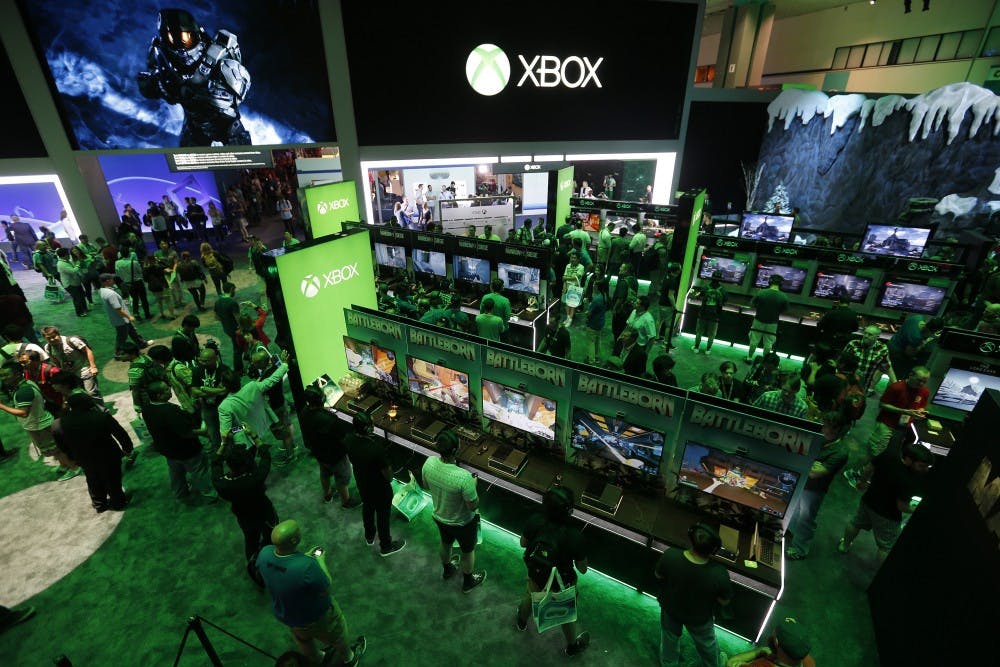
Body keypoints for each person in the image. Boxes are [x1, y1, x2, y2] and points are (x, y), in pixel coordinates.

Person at [257, 520, 367, 666]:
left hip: (288, 616)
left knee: (303, 640)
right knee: (337, 634)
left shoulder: (264, 554)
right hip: (317, 617)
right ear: (294, 540)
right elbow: (326, 587)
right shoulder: (308, 566)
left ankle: (318, 658)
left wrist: (304, 558)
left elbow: (283, 571)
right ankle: (349, 658)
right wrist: (319, 561)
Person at [515, 487, 591, 656]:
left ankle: (521, 621)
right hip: (562, 582)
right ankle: (572, 647)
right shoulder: (575, 536)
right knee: (566, 613)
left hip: (536, 574)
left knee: (531, 595)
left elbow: (522, 543)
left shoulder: (535, 520)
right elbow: (583, 569)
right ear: (569, 511)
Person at [839, 439, 934, 562]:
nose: (925, 470)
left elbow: (868, 468)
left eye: (927, 466)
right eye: (921, 466)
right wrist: (917, 509)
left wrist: (862, 482)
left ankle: (844, 546)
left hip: (868, 501)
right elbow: (902, 507)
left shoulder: (888, 455)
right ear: (908, 459)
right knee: (886, 547)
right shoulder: (910, 480)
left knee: (855, 523)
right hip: (888, 516)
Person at [655, 523, 733, 667]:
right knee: (707, 645)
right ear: (714, 550)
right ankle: (715, 664)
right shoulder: (720, 573)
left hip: (670, 609)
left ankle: (668, 663)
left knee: (669, 639)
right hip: (699, 618)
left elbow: (658, 575)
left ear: (691, 537)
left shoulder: (670, 555)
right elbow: (724, 601)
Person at [212, 424, 279, 586]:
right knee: (272, 536)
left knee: (251, 541)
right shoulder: (255, 479)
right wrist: (254, 436)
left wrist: (224, 443)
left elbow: (215, 463)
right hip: (264, 513)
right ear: (247, 464)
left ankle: (254, 569)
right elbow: (265, 456)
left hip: (244, 516)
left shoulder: (221, 483)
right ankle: (276, 560)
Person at [843, 367, 930, 487]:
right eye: (919, 380)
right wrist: (904, 411)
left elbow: (921, 406)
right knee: (874, 452)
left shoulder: (924, 391)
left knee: (885, 453)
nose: (921, 384)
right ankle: (852, 472)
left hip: (902, 427)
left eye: (924, 381)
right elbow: (883, 404)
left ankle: (864, 473)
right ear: (911, 375)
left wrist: (920, 412)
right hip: (886, 424)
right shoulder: (896, 387)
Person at [422, 430, 486, 593]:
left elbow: (426, 486)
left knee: (445, 543)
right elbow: (473, 506)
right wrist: (473, 485)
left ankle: (448, 569)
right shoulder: (464, 477)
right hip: (463, 523)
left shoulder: (428, 462)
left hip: (440, 517)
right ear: (456, 450)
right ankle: (468, 582)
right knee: (467, 551)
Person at [786, 412, 853, 561]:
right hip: (801, 483)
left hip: (814, 490)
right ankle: (792, 532)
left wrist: (802, 461)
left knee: (805, 519)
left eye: (832, 428)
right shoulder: (818, 438)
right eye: (825, 426)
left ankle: (799, 549)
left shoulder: (840, 451)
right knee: (794, 511)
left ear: (839, 429)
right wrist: (810, 463)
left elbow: (815, 473)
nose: (827, 430)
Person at [52, 392, 133, 513]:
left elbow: (62, 446)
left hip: (83, 458)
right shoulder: (102, 416)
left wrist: (73, 458)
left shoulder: (58, 424)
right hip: (108, 455)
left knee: (92, 479)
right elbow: (121, 434)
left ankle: (99, 504)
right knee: (112, 479)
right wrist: (127, 449)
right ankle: (118, 502)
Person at [143, 381, 216, 504]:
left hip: (167, 450)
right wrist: (204, 432)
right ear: (159, 395)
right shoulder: (170, 411)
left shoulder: (147, 408)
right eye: (166, 389)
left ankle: (180, 494)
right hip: (186, 450)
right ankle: (209, 495)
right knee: (199, 472)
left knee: (176, 473)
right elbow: (186, 432)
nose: (170, 389)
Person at [0, 361, 75, 478]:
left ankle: (73, 468)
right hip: (38, 423)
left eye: (6, 375)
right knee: (51, 449)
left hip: (40, 425)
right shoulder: (26, 383)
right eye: (1, 375)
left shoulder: (24, 391)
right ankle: (63, 465)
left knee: (56, 449)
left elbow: (23, 413)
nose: (3, 378)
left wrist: (2, 406)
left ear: (17, 374)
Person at [345, 412, 405, 557]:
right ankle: (386, 546)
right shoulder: (376, 449)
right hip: (380, 489)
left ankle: (369, 536)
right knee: (383, 517)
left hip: (362, 483)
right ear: (368, 428)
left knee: (368, 508)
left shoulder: (348, 439)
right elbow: (388, 475)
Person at [218, 349, 293, 465]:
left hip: (246, 439)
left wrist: (241, 428)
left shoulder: (224, 406)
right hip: (261, 424)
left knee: (249, 461)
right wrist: (284, 365)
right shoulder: (253, 386)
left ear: (224, 385)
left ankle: (289, 452)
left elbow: (226, 433)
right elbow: (273, 379)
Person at [299, 385, 359, 507]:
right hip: (336, 455)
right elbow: (342, 438)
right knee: (342, 478)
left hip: (319, 453)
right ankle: (346, 501)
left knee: (325, 473)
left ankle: (327, 495)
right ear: (322, 399)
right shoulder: (329, 419)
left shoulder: (304, 412)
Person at [191, 347, 236, 452]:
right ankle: (218, 452)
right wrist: (216, 391)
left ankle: (232, 452)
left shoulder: (224, 370)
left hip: (224, 407)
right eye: (201, 360)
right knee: (213, 433)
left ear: (215, 359)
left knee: (229, 432)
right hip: (208, 408)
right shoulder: (197, 370)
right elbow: (194, 392)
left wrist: (203, 389)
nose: (203, 363)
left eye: (206, 361)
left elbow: (225, 390)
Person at [99, 273, 152, 359]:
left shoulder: (103, 291)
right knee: (122, 337)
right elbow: (118, 308)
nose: (113, 280)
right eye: (112, 279)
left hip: (119, 318)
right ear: (107, 281)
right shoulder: (111, 294)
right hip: (121, 319)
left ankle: (142, 343)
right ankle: (118, 353)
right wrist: (129, 317)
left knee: (133, 331)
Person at [725, 617, 814, 667]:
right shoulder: (808, 661)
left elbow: (731, 663)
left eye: (774, 634)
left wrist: (759, 651)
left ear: (776, 642)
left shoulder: (761, 665)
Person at [42, 326, 101, 401]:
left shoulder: (72, 341)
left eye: (54, 336)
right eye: (48, 338)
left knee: (92, 393)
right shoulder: (48, 348)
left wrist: (93, 367)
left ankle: (101, 408)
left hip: (84, 370)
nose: (52, 339)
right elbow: (56, 361)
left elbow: (88, 351)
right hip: (71, 374)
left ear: (58, 334)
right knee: (80, 395)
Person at [842, 325, 895, 395]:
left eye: (870, 334)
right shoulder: (853, 344)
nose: (866, 336)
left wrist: (895, 383)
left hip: (864, 385)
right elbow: (841, 361)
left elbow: (887, 367)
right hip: (847, 381)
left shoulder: (882, 349)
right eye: (865, 333)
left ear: (877, 337)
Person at [746, 274, 788, 363]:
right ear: (781, 284)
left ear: (770, 282)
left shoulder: (761, 292)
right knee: (768, 343)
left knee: (754, 340)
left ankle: (749, 358)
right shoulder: (784, 296)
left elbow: (752, 304)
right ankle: (765, 362)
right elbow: (785, 310)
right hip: (773, 323)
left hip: (758, 320)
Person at [887, 315, 943, 381]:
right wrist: (924, 343)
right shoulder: (917, 337)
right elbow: (909, 353)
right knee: (895, 376)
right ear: (934, 331)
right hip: (897, 352)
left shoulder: (917, 318)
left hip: (891, 343)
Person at [115, 247, 151, 321]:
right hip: (138, 282)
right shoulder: (134, 262)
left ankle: (136, 313)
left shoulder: (117, 263)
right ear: (129, 253)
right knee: (143, 298)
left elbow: (118, 274)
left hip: (128, 284)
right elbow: (140, 272)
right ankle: (147, 314)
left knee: (135, 299)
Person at [214, 282, 243, 374]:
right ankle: (238, 369)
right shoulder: (232, 302)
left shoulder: (218, 302)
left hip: (226, 328)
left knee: (238, 346)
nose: (235, 292)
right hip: (236, 329)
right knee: (238, 349)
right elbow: (237, 317)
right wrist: (241, 327)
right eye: (234, 290)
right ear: (231, 289)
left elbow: (216, 317)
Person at [693, 276, 726, 355]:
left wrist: (696, 293)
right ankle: (708, 349)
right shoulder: (723, 290)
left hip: (703, 314)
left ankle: (696, 347)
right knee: (712, 334)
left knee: (699, 331)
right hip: (715, 316)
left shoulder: (705, 288)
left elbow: (697, 295)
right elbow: (725, 301)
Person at [142, 254, 176, 321]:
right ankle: (172, 315)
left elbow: (145, 280)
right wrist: (159, 260)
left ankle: (162, 314)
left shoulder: (145, 269)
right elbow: (168, 266)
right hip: (163, 285)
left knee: (159, 301)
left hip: (154, 287)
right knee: (168, 301)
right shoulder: (159, 266)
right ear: (154, 259)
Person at [55, 248, 88, 317]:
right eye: (68, 254)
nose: (69, 255)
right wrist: (78, 264)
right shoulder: (61, 264)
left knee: (82, 296)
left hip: (76, 282)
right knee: (77, 298)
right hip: (70, 284)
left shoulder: (67, 261)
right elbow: (73, 271)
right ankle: (79, 312)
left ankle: (85, 309)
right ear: (64, 255)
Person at [584, 278, 608, 364]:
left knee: (591, 342)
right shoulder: (604, 296)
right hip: (600, 322)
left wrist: (587, 305)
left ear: (597, 287)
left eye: (594, 284)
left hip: (593, 324)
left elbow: (589, 313)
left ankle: (591, 360)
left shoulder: (596, 299)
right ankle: (597, 357)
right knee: (598, 341)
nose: (593, 286)